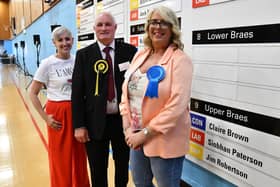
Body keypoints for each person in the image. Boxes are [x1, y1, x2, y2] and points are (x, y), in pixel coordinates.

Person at [119, 6, 193, 187]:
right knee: (140, 182)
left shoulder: (180, 60)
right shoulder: (141, 55)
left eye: (164, 23)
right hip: (136, 134)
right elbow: (126, 94)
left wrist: (145, 133)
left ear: (172, 28)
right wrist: (128, 128)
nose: (157, 27)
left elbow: (176, 106)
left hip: (164, 139)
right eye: (154, 22)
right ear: (148, 26)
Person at [71, 12, 137, 187]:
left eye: (108, 24)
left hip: (123, 122)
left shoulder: (130, 52)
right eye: (100, 25)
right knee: (97, 170)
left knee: (123, 168)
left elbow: (138, 87)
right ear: (94, 29)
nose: (104, 28)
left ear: (115, 28)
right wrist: (79, 125)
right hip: (94, 122)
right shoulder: (83, 55)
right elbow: (76, 93)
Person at [29, 26, 90, 187]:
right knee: (60, 158)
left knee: (79, 157)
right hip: (57, 114)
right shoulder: (47, 64)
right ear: (54, 43)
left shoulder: (79, 59)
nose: (65, 43)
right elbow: (32, 93)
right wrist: (45, 118)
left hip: (78, 112)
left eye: (67, 39)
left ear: (73, 40)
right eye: (60, 40)